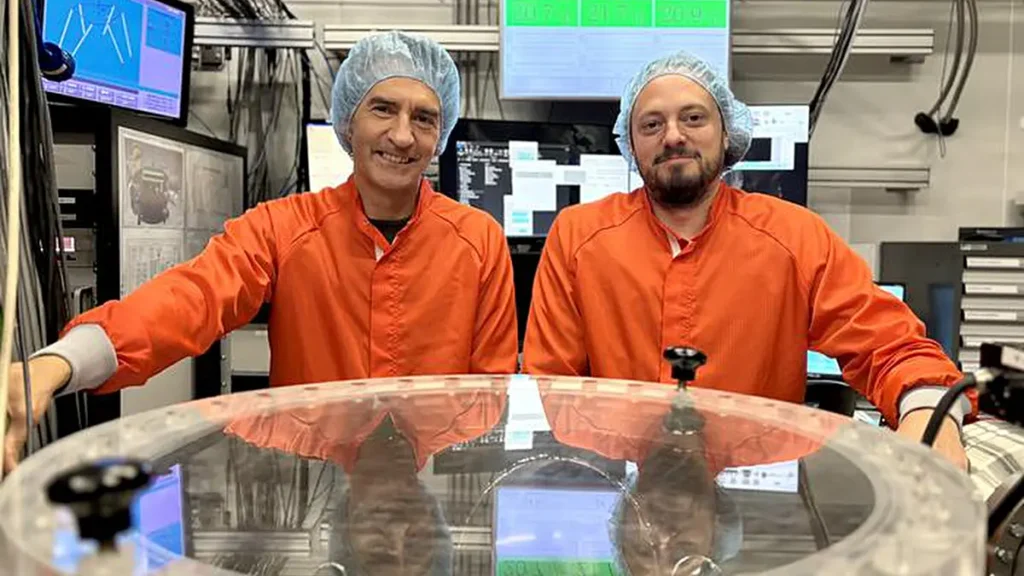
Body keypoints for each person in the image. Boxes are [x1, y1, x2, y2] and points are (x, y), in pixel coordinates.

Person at [3, 31, 518, 472]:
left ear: (440, 135)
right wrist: (58, 364)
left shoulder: (478, 239)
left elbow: (490, 398)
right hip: (310, 478)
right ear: (348, 122)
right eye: (382, 109)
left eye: (424, 118)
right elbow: (190, 299)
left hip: (432, 490)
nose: (402, 135)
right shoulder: (282, 228)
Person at [522, 50, 971, 470]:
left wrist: (930, 414)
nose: (674, 135)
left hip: (759, 496)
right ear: (631, 143)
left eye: (693, 118)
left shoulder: (794, 237)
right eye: (652, 124)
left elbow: (889, 345)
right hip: (621, 486)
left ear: (727, 131)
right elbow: (553, 392)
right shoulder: (580, 237)